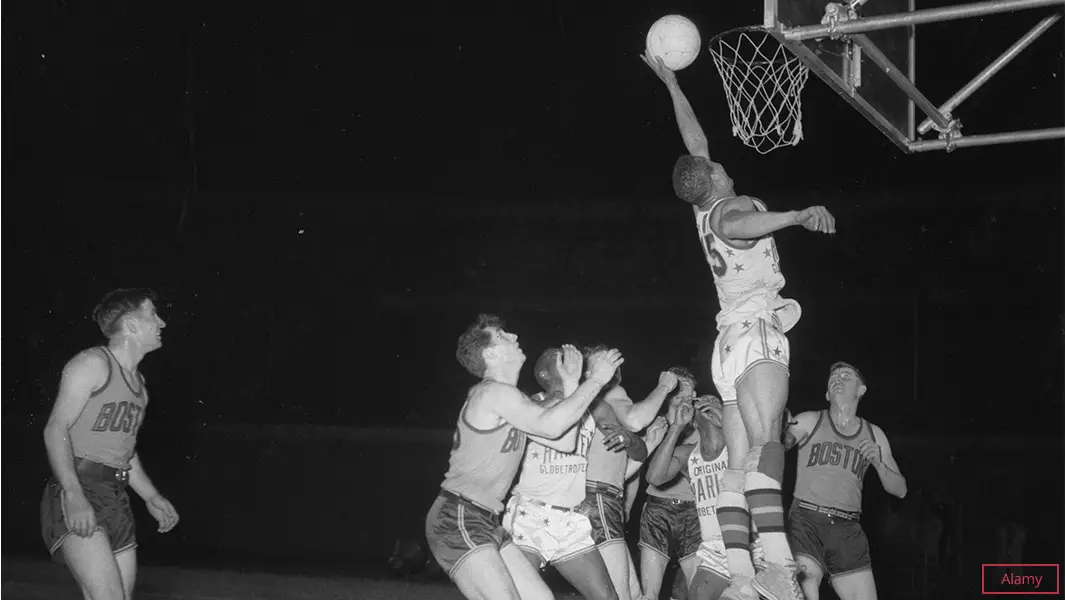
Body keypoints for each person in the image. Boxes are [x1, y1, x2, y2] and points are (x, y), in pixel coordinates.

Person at [643, 49, 837, 600]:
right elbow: (746, 227)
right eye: (718, 167)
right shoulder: (729, 208)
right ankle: (776, 567)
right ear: (713, 180)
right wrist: (797, 216)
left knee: (735, 465)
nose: (722, 162)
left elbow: (695, 145)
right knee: (765, 445)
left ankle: (743, 575)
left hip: (727, 344)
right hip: (754, 332)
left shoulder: (702, 205)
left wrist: (672, 85)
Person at [424, 314, 624, 600]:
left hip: (487, 519)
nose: (515, 337)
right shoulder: (492, 392)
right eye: (504, 336)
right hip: (459, 515)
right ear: (490, 353)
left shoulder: (511, 398)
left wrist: (570, 384)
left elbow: (564, 442)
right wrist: (595, 380)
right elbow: (552, 425)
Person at [40, 288, 180, 600]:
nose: (162, 322)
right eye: (152, 314)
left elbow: (124, 454)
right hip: (79, 486)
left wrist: (151, 496)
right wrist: (74, 494)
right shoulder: (92, 364)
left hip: (115, 497)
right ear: (130, 324)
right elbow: (55, 429)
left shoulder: (139, 387)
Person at [502, 347, 640, 600]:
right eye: (561, 357)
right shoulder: (531, 403)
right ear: (545, 373)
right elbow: (554, 412)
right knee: (517, 595)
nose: (573, 358)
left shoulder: (593, 408)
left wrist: (629, 438)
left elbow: (640, 452)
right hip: (530, 515)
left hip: (571, 518)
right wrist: (575, 385)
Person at [783, 361, 907, 600]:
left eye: (846, 375)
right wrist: (780, 428)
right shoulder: (810, 420)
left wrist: (879, 463)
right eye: (833, 377)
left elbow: (900, 490)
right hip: (806, 520)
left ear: (861, 390)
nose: (837, 378)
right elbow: (783, 444)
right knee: (807, 582)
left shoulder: (874, 434)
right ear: (827, 394)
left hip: (847, 529)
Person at [580, 348, 681, 600]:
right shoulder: (609, 393)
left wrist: (652, 443)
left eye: (615, 362)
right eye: (604, 362)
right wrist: (664, 387)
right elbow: (635, 421)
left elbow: (619, 473)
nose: (612, 368)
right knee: (621, 594)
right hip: (598, 501)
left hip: (602, 498)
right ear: (588, 372)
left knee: (633, 594)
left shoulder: (594, 401)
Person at [637, 369, 703, 600]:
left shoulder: (705, 427)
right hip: (657, 509)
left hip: (694, 514)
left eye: (689, 396)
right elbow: (641, 473)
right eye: (678, 396)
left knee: (697, 591)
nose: (685, 402)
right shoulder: (654, 424)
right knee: (650, 594)